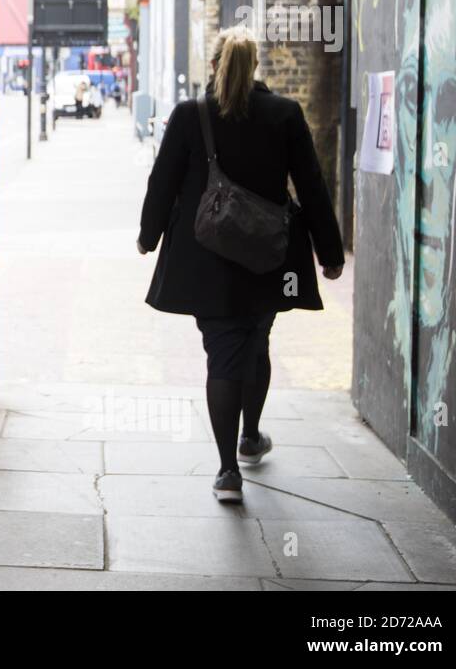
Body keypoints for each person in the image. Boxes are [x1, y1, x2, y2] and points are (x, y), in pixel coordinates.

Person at [135, 27, 345, 503]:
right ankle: (250, 436)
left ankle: (228, 469)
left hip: (205, 261)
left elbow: (161, 182)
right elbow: (311, 186)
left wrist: (148, 237)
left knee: (224, 353)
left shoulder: (191, 115)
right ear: (255, 68)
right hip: (269, 259)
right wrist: (328, 255)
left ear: (214, 66)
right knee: (257, 339)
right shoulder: (285, 114)